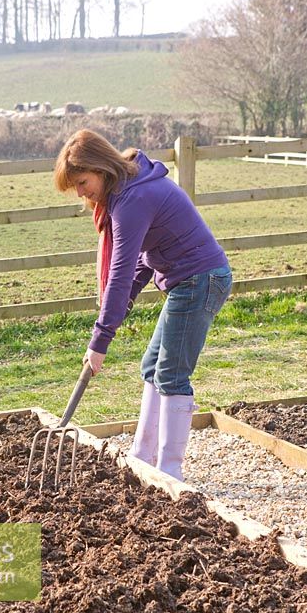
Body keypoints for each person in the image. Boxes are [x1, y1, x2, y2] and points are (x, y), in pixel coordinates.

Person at [54, 129, 233, 482]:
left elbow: (120, 272)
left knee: (171, 374)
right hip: (189, 279)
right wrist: (128, 300)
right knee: (153, 366)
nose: (80, 192)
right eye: (75, 186)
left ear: (101, 169)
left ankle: (170, 472)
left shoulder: (132, 200)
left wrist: (100, 339)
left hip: (199, 280)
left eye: (82, 181)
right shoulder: (129, 189)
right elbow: (143, 260)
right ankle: (144, 456)